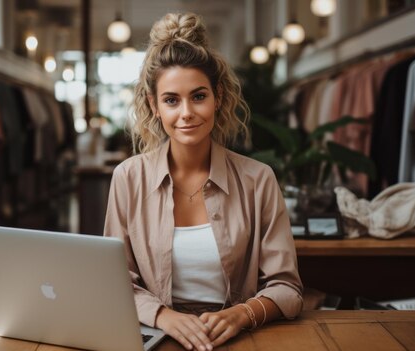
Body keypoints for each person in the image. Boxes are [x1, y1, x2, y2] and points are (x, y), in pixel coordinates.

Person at [104, 12, 303, 351]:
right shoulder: (128, 178)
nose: (186, 113)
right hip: (157, 338)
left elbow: (288, 288)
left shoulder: (258, 180)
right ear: (154, 105)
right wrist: (164, 315)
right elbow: (114, 283)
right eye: (171, 100)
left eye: (198, 96)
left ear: (218, 97)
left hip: (239, 339)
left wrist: (243, 314)